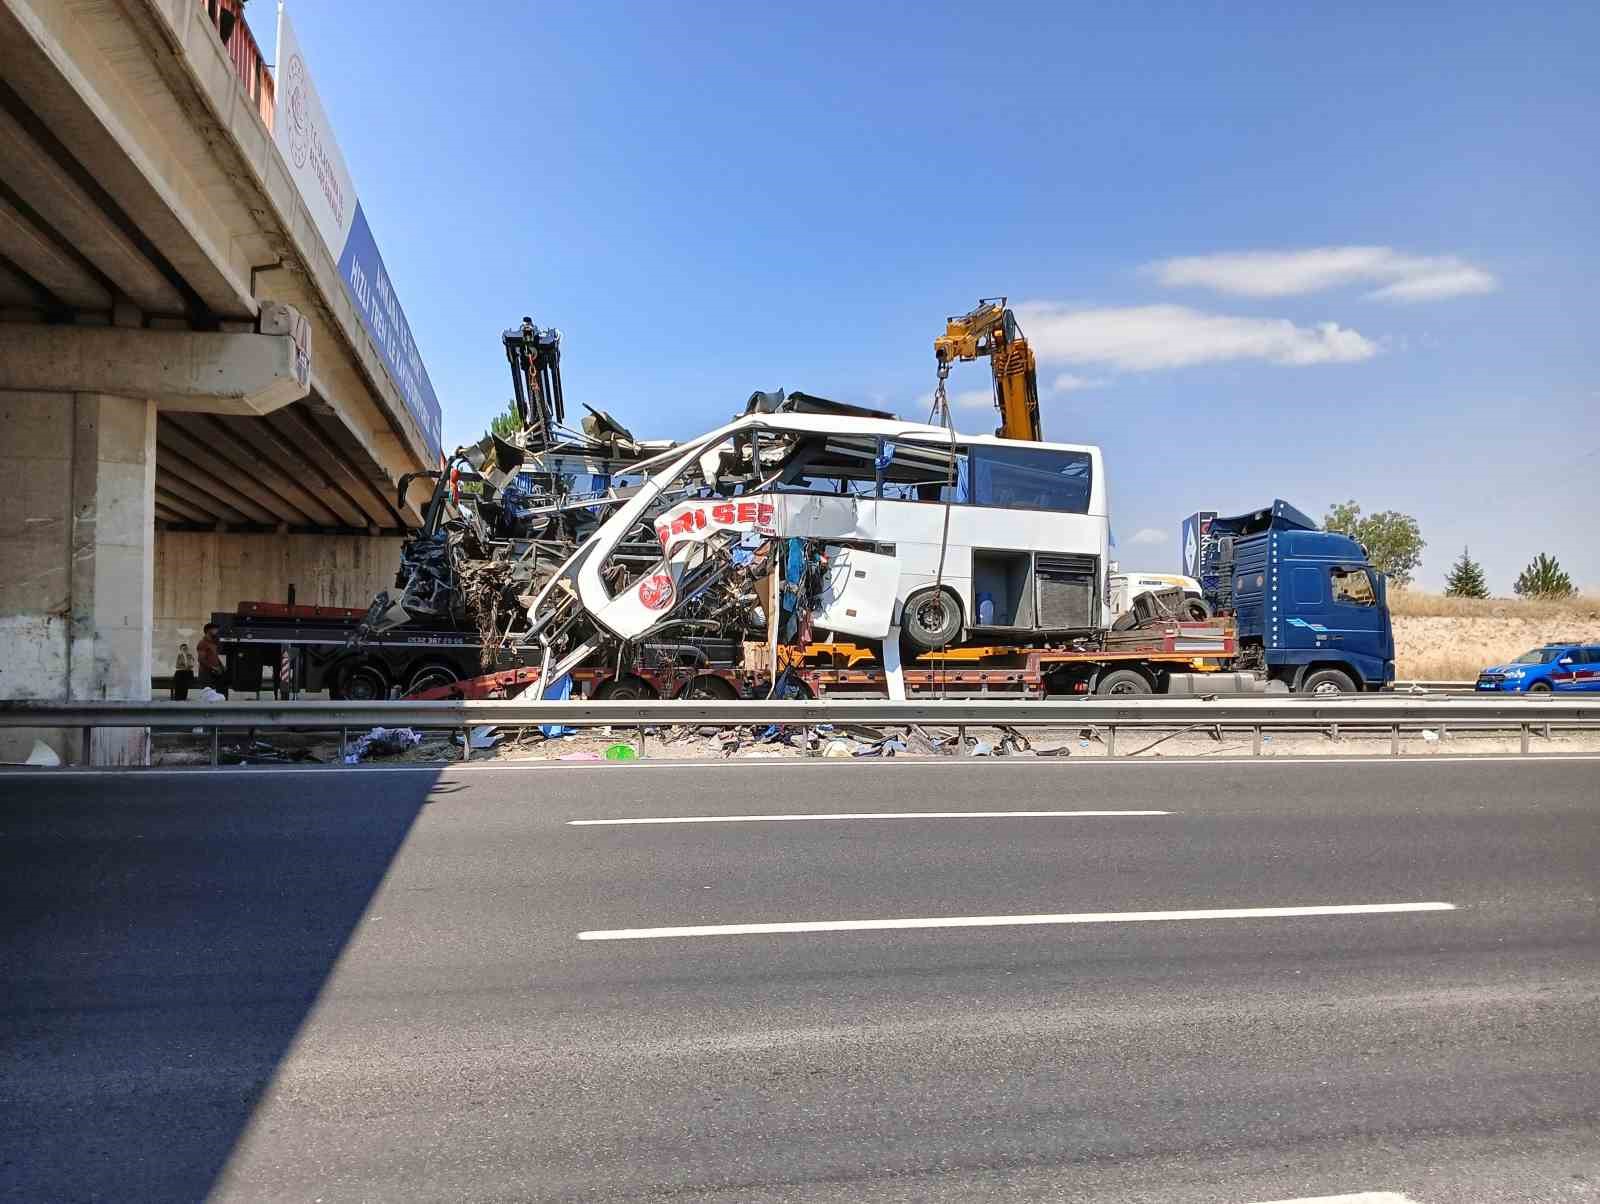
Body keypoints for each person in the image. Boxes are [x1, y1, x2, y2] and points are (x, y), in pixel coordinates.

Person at [197, 623, 227, 697]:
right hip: (206, 674)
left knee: (221, 696)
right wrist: (213, 667)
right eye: (214, 629)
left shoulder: (213, 644)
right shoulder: (202, 643)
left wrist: (222, 667)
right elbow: (201, 659)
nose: (216, 631)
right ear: (208, 630)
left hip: (215, 673)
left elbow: (215, 657)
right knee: (208, 697)